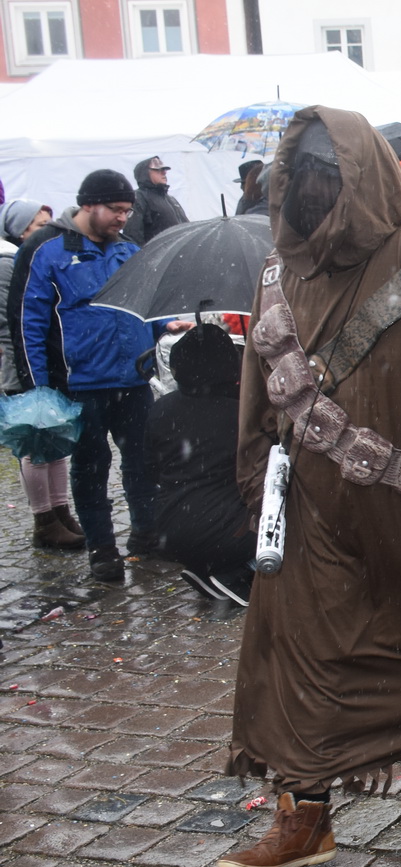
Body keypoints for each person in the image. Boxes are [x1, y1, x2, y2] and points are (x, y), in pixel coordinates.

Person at [220, 107, 401, 867]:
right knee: (298, 658)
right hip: (309, 513)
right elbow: (257, 388)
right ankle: (304, 812)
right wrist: (256, 483)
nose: (311, 193)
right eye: (301, 177)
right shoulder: (279, 274)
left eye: (328, 177)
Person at [19, 170, 162, 580]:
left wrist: (163, 327)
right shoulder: (48, 252)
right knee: (90, 469)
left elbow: (146, 305)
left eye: (127, 210)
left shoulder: (129, 250)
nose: (123, 217)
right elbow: (30, 324)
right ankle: (103, 549)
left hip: (133, 380)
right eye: (115, 209)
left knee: (142, 463)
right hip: (81, 385)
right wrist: (38, 388)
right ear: (88, 205)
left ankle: (147, 536)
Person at [146, 324, 252, 606]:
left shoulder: (161, 409)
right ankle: (235, 574)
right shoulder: (241, 413)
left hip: (169, 529)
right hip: (228, 532)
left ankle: (207, 568)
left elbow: (150, 470)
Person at [0, 199, 82, 549]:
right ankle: (44, 520)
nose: (47, 230)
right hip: (21, 365)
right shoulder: (8, 263)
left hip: (44, 361)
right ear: (21, 231)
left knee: (54, 439)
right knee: (33, 444)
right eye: (38, 224)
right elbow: (14, 322)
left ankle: (61, 511)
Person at [126, 156, 189, 245]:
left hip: (177, 250)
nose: (164, 172)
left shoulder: (171, 199)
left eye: (164, 170)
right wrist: (144, 253)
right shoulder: (139, 197)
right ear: (145, 174)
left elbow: (187, 227)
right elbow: (132, 234)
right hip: (155, 252)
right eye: (158, 170)